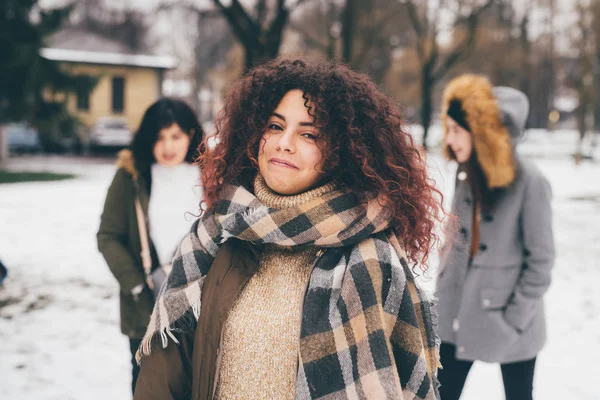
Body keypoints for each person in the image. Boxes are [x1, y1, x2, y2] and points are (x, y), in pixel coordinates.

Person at [133, 58, 444, 400]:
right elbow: (165, 374)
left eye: (309, 133)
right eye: (275, 126)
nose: (285, 143)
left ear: (342, 151)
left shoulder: (372, 258)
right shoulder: (216, 235)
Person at [435, 74, 555, 400]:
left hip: (510, 320)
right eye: (448, 129)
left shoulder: (530, 182)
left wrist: (513, 320)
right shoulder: (466, 173)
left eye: (457, 130)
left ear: (482, 134)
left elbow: (541, 263)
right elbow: (455, 241)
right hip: (455, 314)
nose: (450, 138)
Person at [97, 98, 204, 396]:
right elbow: (108, 235)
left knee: (198, 385)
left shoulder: (210, 174)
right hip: (146, 305)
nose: (168, 146)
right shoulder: (131, 176)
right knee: (149, 386)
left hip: (199, 304)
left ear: (191, 135)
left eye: (176, 136)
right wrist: (135, 284)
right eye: (159, 137)